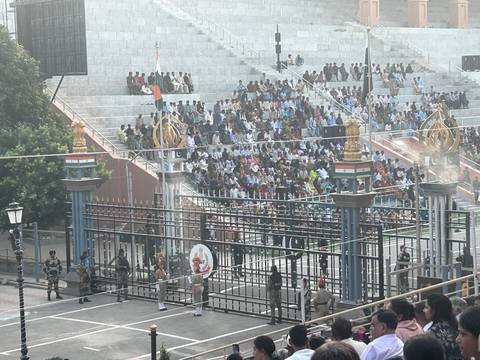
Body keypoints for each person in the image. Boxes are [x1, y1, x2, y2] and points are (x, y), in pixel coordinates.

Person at [424, 293, 462, 359]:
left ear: (435, 310)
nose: (424, 310)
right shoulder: (458, 327)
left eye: (426, 307)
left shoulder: (431, 333)